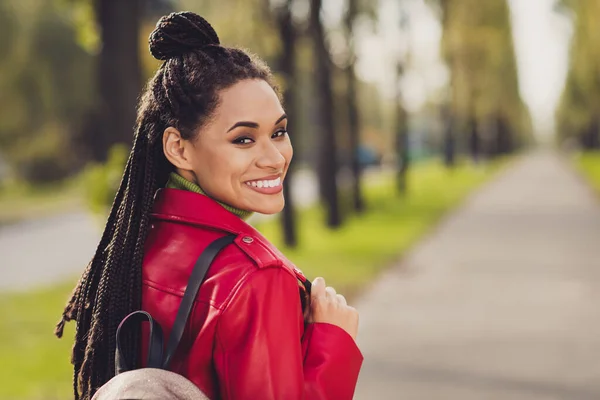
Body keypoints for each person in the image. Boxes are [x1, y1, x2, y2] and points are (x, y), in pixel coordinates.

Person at [55, 11, 363, 400]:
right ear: (178, 148)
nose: (275, 157)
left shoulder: (137, 243)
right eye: (244, 140)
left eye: (279, 132)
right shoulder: (258, 279)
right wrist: (332, 345)